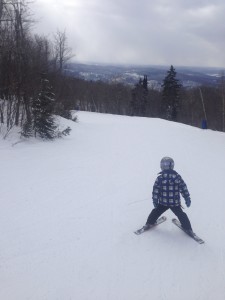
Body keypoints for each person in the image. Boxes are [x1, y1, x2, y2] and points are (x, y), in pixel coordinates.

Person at [144, 157, 193, 233]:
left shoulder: (160, 178)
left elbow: (156, 191)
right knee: (181, 215)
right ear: (172, 166)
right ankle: (188, 228)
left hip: (163, 202)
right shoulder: (177, 177)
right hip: (174, 203)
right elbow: (183, 188)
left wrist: (155, 200)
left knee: (155, 212)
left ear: (162, 166)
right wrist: (187, 197)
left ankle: (149, 223)